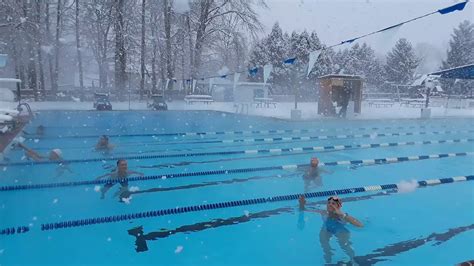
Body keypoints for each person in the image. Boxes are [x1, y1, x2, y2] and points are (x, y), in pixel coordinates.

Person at [298, 195, 363, 264]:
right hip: (327, 229)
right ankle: (328, 262)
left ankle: (353, 260)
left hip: (340, 231)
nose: (330, 205)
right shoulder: (324, 212)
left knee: (344, 245)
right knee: (324, 245)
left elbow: (360, 225)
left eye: (333, 203)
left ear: (338, 206)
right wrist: (301, 204)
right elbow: (303, 210)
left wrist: (342, 214)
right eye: (329, 203)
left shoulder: (342, 215)